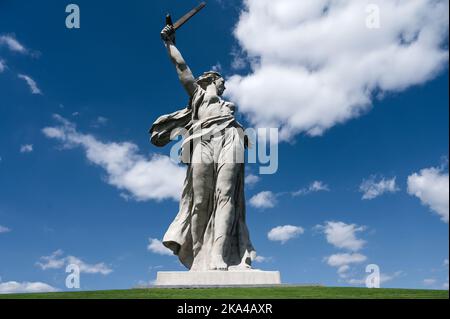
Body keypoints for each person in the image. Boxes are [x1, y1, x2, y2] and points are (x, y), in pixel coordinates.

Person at [149, 24, 256, 271]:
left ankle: (218, 254)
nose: (225, 87)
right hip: (203, 141)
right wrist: (170, 43)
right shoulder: (198, 95)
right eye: (223, 82)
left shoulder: (229, 108)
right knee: (199, 201)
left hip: (229, 138)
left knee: (226, 195)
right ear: (213, 79)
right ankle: (199, 255)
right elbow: (182, 69)